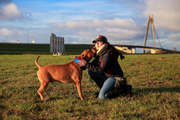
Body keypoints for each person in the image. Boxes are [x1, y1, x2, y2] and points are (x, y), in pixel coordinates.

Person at [78, 35, 131, 100]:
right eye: (95, 42)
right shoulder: (99, 53)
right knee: (91, 71)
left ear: (104, 43)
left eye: (99, 42)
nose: (96, 44)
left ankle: (124, 89)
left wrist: (86, 64)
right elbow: (90, 65)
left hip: (114, 77)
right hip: (107, 76)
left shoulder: (108, 54)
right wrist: (76, 60)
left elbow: (101, 69)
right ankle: (104, 90)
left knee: (102, 97)